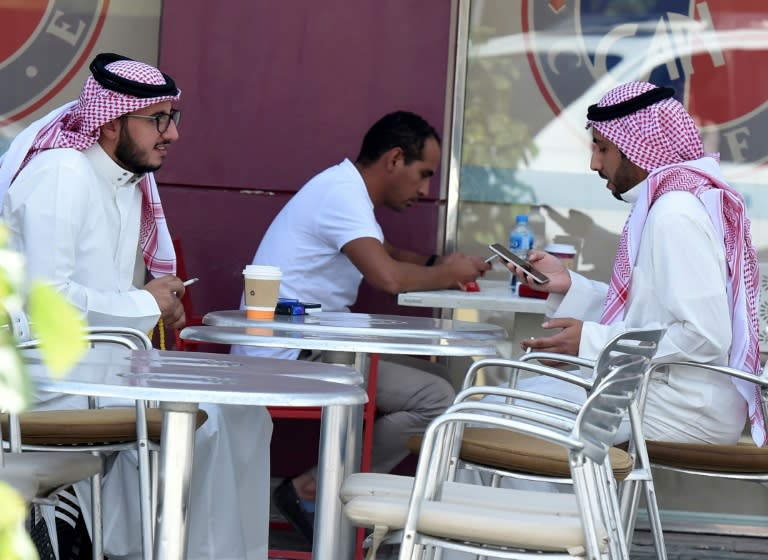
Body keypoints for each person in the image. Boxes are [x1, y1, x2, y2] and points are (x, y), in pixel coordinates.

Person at [1, 53, 272, 560]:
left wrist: (151, 305)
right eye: (158, 120)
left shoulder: (124, 181)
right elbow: (45, 305)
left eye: (174, 118)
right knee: (203, 419)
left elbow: (103, 298)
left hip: (100, 370)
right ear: (109, 123)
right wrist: (142, 303)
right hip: (47, 383)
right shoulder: (62, 174)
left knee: (245, 415)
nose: (172, 134)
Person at [231, 110, 490, 542]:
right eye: (423, 174)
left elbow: (382, 251)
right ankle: (312, 489)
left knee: (442, 380)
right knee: (440, 398)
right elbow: (386, 278)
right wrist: (449, 274)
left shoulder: (343, 188)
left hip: (305, 342)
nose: (426, 190)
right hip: (287, 355)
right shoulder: (342, 195)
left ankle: (318, 487)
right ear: (393, 159)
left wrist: (433, 264)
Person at [514, 81, 764, 446]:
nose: (594, 163)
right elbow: (653, 314)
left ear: (637, 148)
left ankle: (566, 505)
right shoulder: (670, 204)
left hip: (684, 406)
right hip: (667, 389)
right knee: (516, 396)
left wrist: (593, 341)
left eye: (603, 148)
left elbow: (704, 336)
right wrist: (570, 285)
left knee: (511, 409)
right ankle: (573, 503)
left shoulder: (674, 214)